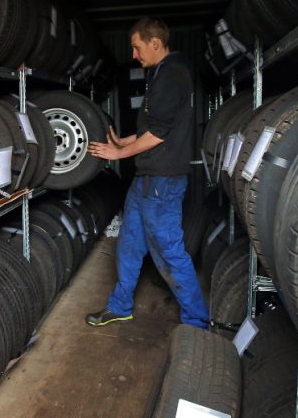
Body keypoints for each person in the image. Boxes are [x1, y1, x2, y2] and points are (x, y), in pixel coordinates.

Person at [85, 17, 209, 329]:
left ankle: (197, 322)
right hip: (147, 178)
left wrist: (118, 154)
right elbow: (156, 128)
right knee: (129, 244)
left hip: (162, 182)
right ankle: (120, 306)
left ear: (155, 43)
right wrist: (126, 141)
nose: (134, 54)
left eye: (137, 47)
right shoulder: (160, 72)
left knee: (169, 252)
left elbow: (160, 133)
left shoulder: (173, 73)